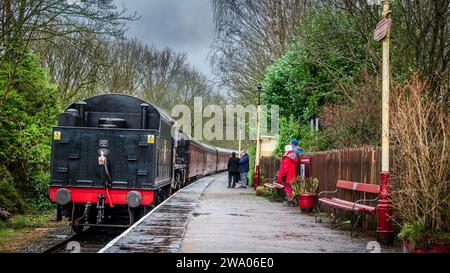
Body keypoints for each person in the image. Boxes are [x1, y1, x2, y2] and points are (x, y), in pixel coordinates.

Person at [276, 140, 299, 207]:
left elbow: (285, 168)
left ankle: (290, 201)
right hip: (292, 175)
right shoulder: (293, 156)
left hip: (287, 176)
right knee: (290, 188)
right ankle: (291, 201)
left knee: (288, 189)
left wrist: (281, 175)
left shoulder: (287, 157)